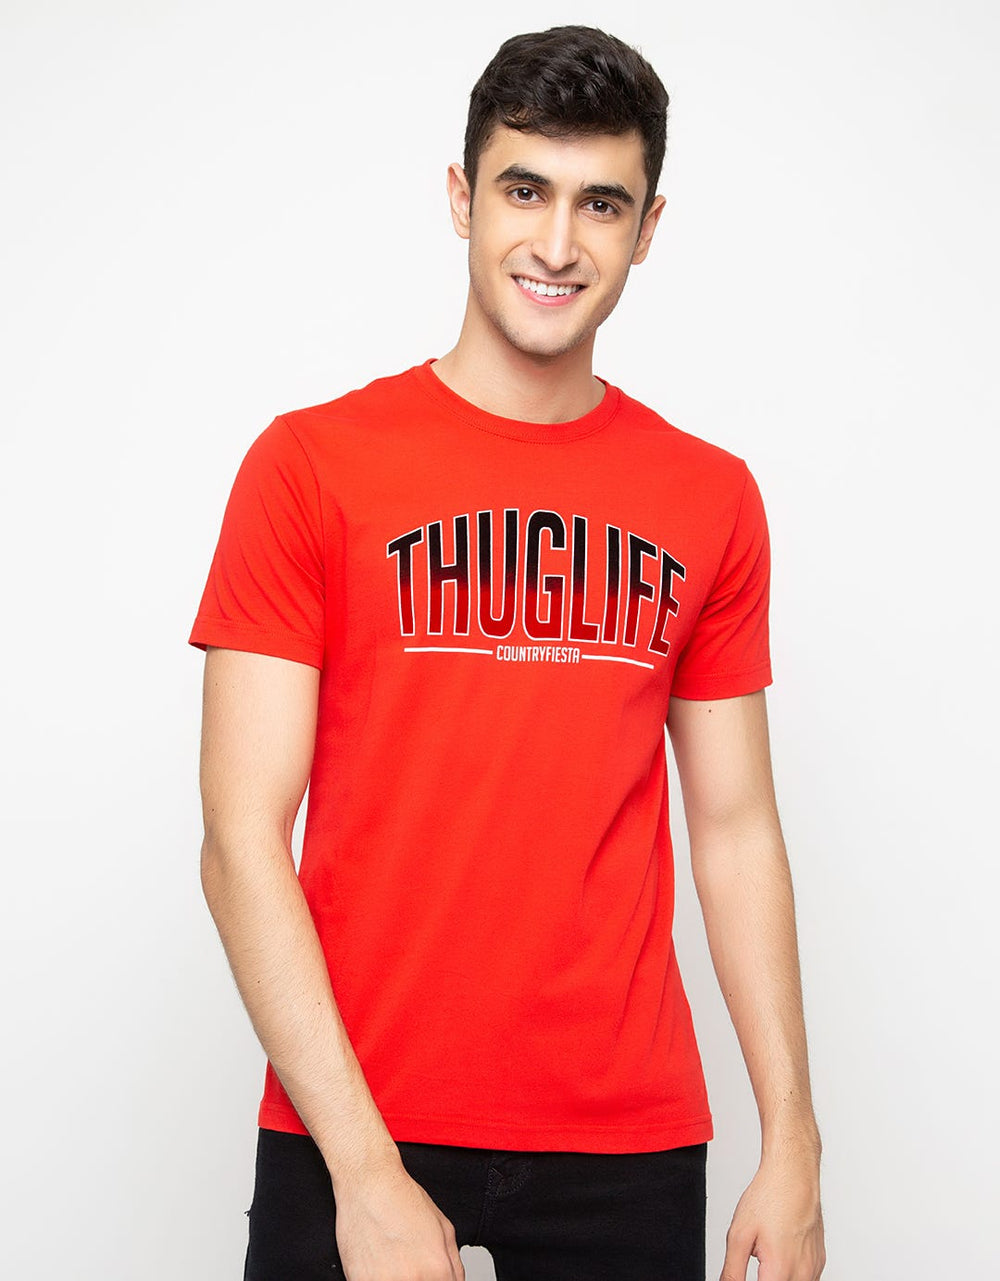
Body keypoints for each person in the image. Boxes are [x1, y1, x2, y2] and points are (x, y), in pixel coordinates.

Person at [189, 24, 825, 1281]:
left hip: (623, 1134)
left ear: (647, 228)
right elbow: (238, 839)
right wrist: (364, 1171)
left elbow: (736, 828)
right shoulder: (309, 467)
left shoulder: (709, 497)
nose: (557, 243)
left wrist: (794, 1141)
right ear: (460, 197)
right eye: (524, 190)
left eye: (602, 204)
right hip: (352, 1116)